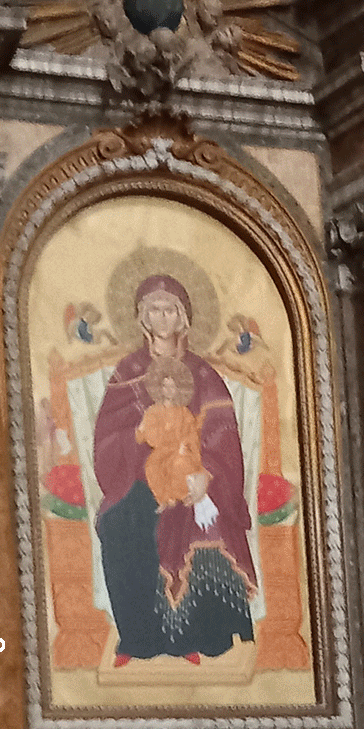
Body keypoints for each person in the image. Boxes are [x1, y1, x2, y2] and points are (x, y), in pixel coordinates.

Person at [93, 274, 256, 665]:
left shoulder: (203, 374)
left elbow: (223, 434)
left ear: (183, 318)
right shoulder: (128, 371)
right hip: (137, 475)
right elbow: (108, 435)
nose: (162, 317)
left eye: (170, 309)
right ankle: (137, 638)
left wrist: (206, 474)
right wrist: (138, 441)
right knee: (120, 523)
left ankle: (190, 635)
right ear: (141, 318)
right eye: (153, 309)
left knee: (195, 516)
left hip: (194, 474)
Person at [135, 361, 208, 510]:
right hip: (161, 452)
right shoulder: (153, 411)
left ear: (177, 390)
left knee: (180, 464)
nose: (168, 390)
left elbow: (191, 432)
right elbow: (141, 438)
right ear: (161, 389)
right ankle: (164, 499)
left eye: (172, 386)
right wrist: (141, 430)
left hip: (180, 449)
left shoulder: (183, 411)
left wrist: (184, 445)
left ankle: (182, 495)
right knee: (152, 467)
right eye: (165, 386)